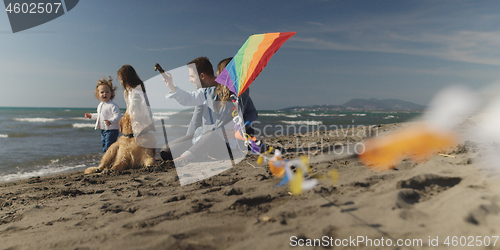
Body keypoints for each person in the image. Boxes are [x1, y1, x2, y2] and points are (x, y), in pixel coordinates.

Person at [160, 57, 247, 165]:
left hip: (225, 143)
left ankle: (185, 158)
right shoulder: (207, 92)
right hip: (204, 136)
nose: (190, 80)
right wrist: (171, 86)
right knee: (166, 151)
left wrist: (239, 129)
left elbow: (246, 114)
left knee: (212, 134)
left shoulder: (239, 94)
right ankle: (196, 151)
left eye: (191, 76)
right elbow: (190, 102)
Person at [117, 65, 156, 149]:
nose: (120, 81)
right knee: (134, 137)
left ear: (126, 78)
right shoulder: (127, 91)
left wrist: (132, 116)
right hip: (134, 115)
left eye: (121, 78)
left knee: (140, 136)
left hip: (140, 116)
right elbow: (129, 105)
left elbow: (138, 105)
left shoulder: (137, 89)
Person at [84, 77, 121, 153]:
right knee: (104, 146)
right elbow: (99, 116)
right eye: (102, 92)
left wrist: (111, 121)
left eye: (107, 92)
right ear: (98, 94)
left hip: (112, 130)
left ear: (111, 93)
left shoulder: (112, 105)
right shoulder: (100, 105)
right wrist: (91, 116)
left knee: (109, 147)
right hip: (103, 130)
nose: (105, 94)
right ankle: (107, 160)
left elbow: (118, 116)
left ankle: (110, 161)